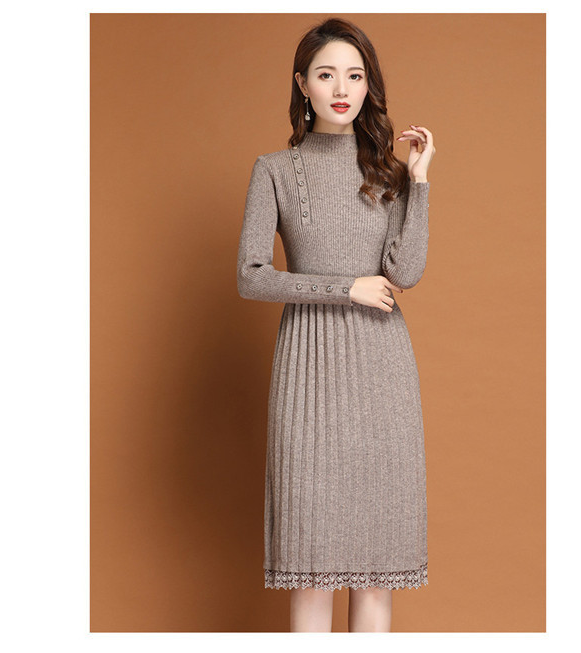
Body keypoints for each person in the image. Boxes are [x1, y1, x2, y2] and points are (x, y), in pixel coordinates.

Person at [236, 17, 436, 633]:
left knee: (376, 574)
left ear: (368, 85)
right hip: (308, 373)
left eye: (355, 75)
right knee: (313, 572)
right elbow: (250, 276)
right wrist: (344, 287)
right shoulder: (274, 169)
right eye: (326, 75)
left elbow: (405, 272)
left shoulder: (390, 174)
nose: (342, 89)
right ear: (303, 84)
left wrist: (420, 181)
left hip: (382, 372)